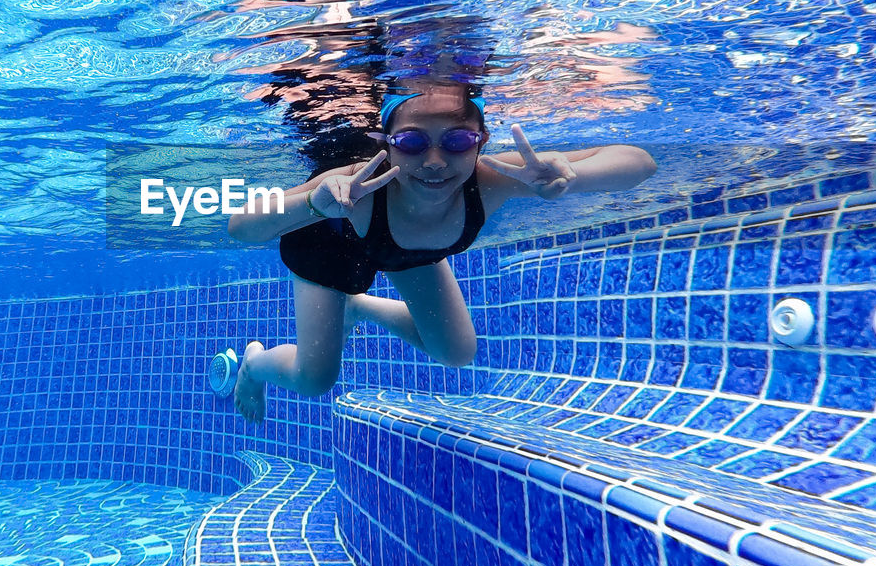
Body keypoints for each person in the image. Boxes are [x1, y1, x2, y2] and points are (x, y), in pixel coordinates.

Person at [223, 81, 657, 422]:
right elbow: (241, 226)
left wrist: (573, 176)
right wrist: (314, 203)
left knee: (456, 352)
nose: (434, 161)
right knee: (316, 378)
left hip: (406, 247)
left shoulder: (494, 178)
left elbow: (639, 161)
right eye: (412, 143)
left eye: (456, 142)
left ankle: (356, 308)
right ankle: (254, 365)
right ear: (387, 143)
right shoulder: (358, 179)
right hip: (328, 238)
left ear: (481, 142)